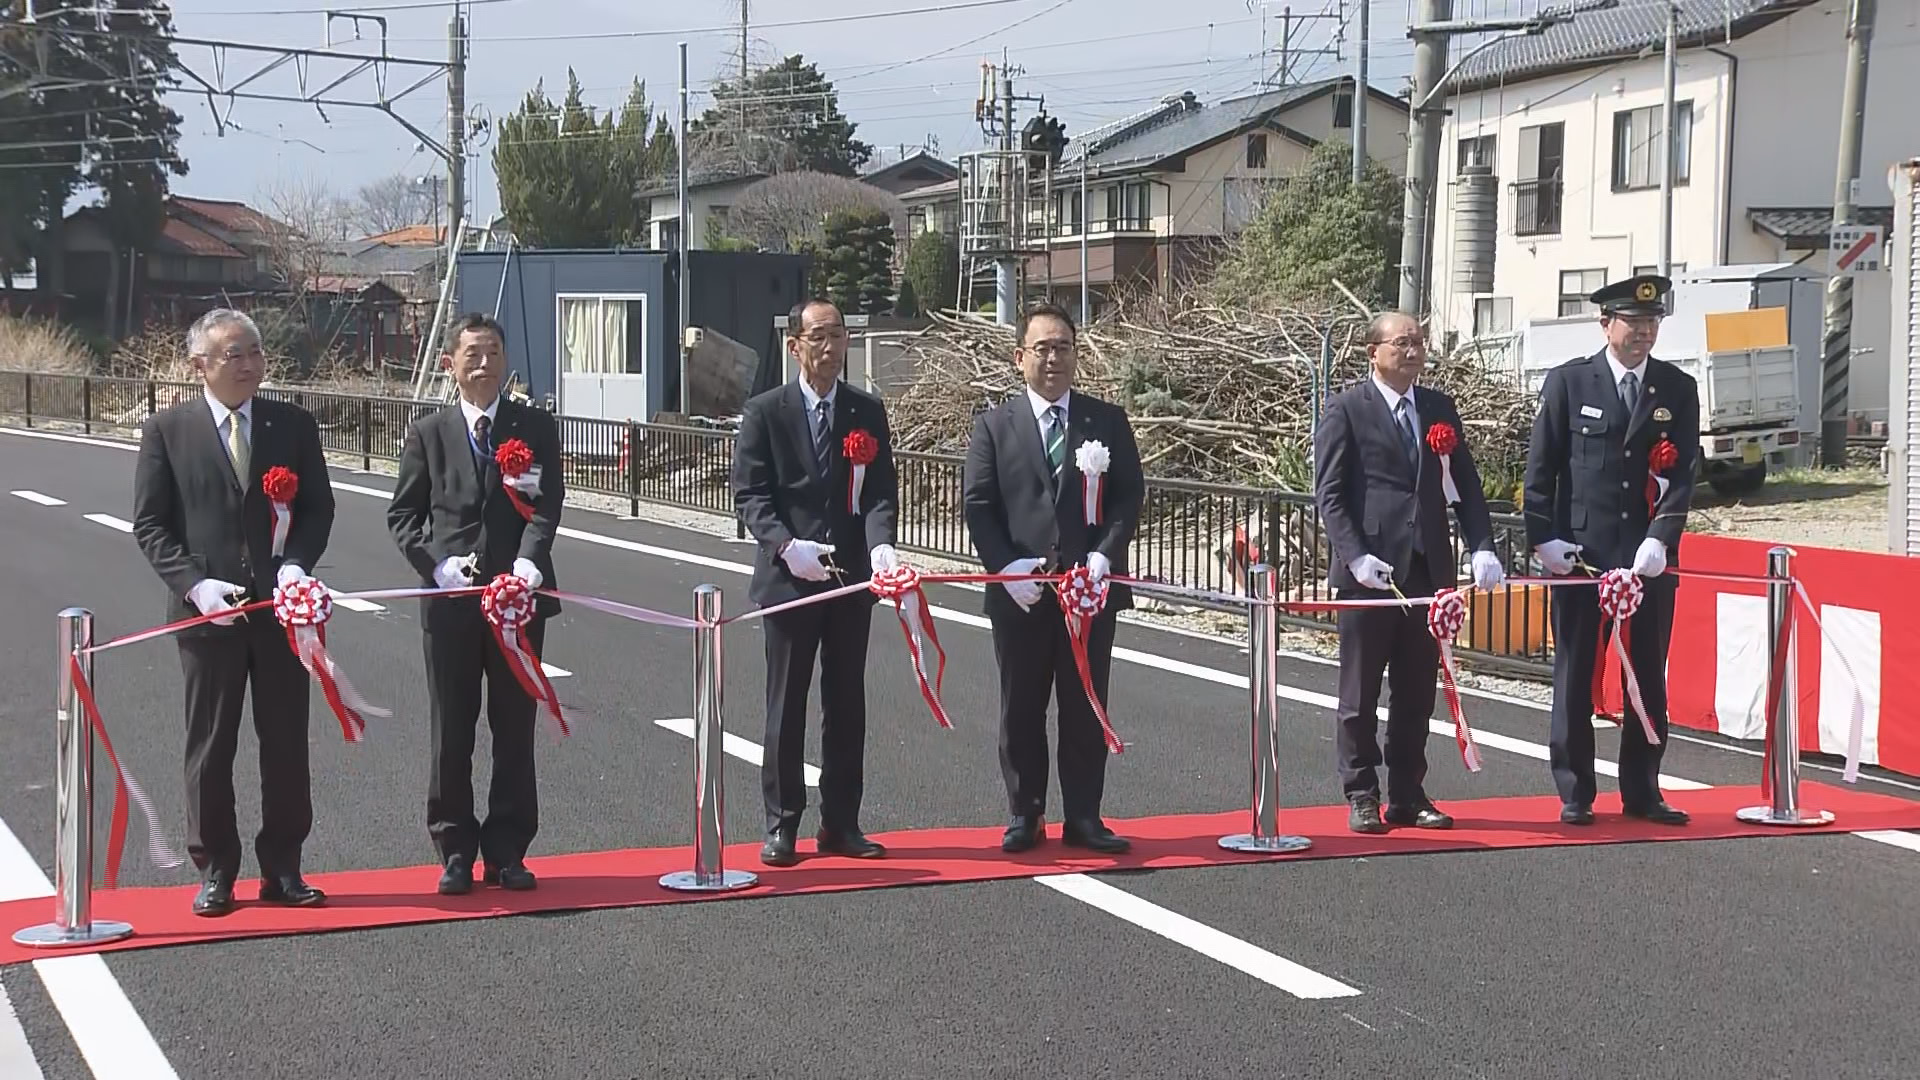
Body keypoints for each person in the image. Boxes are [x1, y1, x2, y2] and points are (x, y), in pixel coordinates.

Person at [132, 308, 336, 917]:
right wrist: (196, 587)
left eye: (254, 352)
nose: (249, 364)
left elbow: (318, 508)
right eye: (233, 355)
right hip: (207, 619)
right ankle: (216, 868)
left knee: (285, 742)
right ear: (200, 365)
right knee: (211, 743)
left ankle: (285, 866)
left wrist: (296, 564)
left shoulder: (291, 424)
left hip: (280, 611)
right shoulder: (168, 431)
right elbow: (151, 525)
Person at [387, 312, 564, 894]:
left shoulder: (534, 427)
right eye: (472, 353)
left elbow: (546, 504)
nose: (483, 363)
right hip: (451, 608)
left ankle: (509, 849)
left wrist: (530, 561)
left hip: (518, 601)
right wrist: (434, 565)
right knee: (452, 730)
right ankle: (455, 848)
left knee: (515, 729)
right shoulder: (429, 433)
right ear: (450, 364)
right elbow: (403, 515)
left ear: (505, 360)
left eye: (492, 352)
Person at [962, 302, 1144, 855]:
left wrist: (1104, 555)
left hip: (1088, 592)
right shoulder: (993, 426)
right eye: (1041, 348)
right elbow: (978, 504)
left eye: (1062, 346)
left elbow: (1128, 497)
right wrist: (1005, 565)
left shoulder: (1105, 421)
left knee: (1086, 703)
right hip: (1021, 594)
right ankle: (1026, 813)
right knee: (1021, 706)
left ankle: (1085, 815)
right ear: (1020, 358)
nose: (1052, 358)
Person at [1314, 311, 1504, 833]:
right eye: (1402, 343)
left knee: (1416, 691)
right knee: (1359, 693)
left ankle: (1407, 792)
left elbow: (1463, 485)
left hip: (1426, 573)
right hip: (1370, 574)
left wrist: (1482, 546)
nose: (1413, 351)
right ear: (1372, 351)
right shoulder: (1346, 409)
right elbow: (1329, 494)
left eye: (1419, 342)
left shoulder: (1439, 409)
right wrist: (1354, 554)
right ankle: (1361, 792)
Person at [731, 297, 900, 867]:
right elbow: (750, 495)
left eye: (839, 336)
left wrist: (880, 545)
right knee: (786, 704)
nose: (830, 348)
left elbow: (879, 491)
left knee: (847, 702)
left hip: (850, 582)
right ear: (795, 345)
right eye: (818, 337)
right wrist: (784, 544)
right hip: (789, 579)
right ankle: (781, 823)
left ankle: (842, 821)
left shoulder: (865, 411)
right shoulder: (765, 412)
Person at [1524, 273, 1698, 826]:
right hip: (1583, 556)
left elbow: (1685, 475)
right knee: (1577, 674)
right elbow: (1542, 471)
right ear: (1606, 324)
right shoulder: (1571, 383)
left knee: (1647, 673)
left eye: (1652, 323)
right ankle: (1575, 789)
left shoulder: (1676, 388)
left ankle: (1643, 788)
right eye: (1634, 322)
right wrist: (1543, 538)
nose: (1644, 332)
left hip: (1645, 560)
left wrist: (1660, 540)